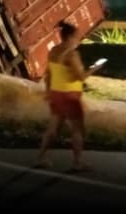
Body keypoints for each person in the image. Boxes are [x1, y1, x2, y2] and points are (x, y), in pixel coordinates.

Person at [36, 21, 103, 171]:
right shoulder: (72, 54)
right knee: (78, 129)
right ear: (71, 36)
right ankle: (77, 162)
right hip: (70, 96)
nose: (78, 38)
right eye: (77, 35)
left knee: (53, 128)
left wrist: (48, 92)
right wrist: (94, 68)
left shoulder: (53, 51)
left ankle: (41, 157)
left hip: (56, 93)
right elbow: (80, 77)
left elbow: (49, 74)